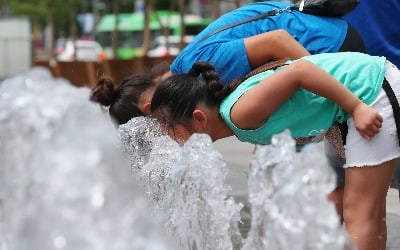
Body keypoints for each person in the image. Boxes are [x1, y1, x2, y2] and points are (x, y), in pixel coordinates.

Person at [91, 0, 365, 221]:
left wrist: (331, 90)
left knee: (359, 193)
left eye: (158, 128)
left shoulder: (197, 67)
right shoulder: (189, 76)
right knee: (346, 190)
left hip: (331, 45)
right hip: (324, 54)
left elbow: (278, 41)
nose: (165, 136)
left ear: (149, 108)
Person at [150, 52, 400, 250]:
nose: (168, 139)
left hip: (370, 90)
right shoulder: (237, 116)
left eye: (170, 129)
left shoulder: (240, 113)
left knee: (360, 213)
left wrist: (356, 107)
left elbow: (300, 70)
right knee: (369, 213)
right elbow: (292, 116)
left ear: (198, 118)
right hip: (362, 90)